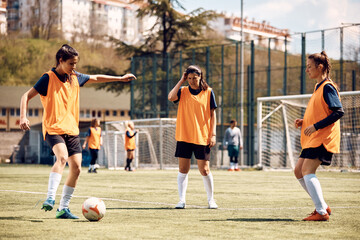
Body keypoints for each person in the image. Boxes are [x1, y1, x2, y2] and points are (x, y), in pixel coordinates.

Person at [19, 44, 136, 219]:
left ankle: (63, 208)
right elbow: (25, 96)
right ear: (61, 60)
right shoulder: (47, 78)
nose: (74, 67)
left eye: (75, 64)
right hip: (53, 128)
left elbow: (96, 78)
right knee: (62, 158)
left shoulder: (75, 77)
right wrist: (23, 117)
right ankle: (50, 197)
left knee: (77, 168)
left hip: (71, 130)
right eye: (71, 63)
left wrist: (120, 78)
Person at [294, 51, 344, 221]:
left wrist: (315, 126)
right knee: (298, 172)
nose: (306, 70)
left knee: (307, 171)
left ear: (320, 67)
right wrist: (305, 121)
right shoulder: (318, 87)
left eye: (309, 67)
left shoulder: (328, 87)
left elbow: (338, 112)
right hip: (314, 138)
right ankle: (322, 204)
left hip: (323, 137)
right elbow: (321, 111)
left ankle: (321, 212)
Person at [168, 65, 218, 209]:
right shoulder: (183, 91)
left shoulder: (208, 92)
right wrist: (181, 80)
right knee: (183, 169)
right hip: (184, 135)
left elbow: (213, 114)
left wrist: (212, 134)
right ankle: (181, 200)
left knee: (205, 170)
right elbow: (171, 97)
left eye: (194, 78)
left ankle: (211, 200)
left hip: (202, 136)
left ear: (200, 77)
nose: (191, 81)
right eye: (189, 78)